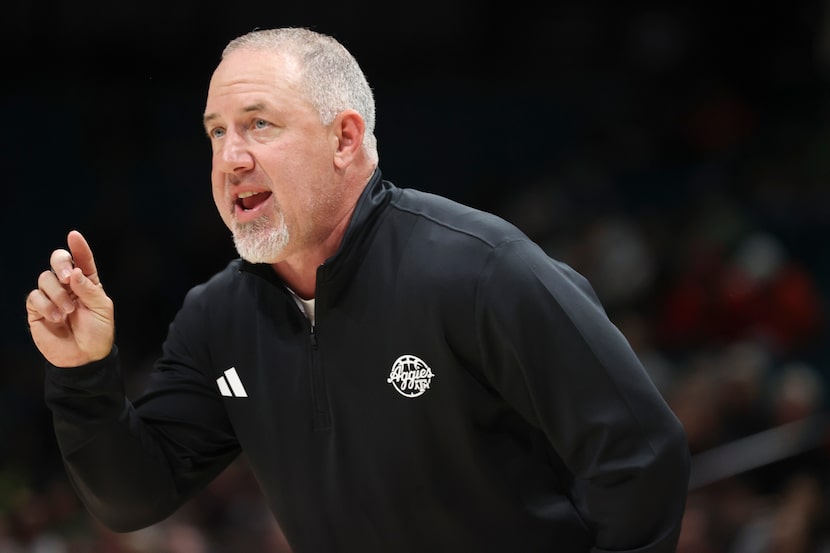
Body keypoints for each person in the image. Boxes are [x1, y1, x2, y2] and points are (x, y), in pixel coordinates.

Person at [26, 27, 690, 553]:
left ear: (345, 138)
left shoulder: (480, 269)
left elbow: (641, 455)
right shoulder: (218, 319)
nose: (231, 157)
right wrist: (82, 373)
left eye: (260, 124)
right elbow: (133, 497)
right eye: (217, 132)